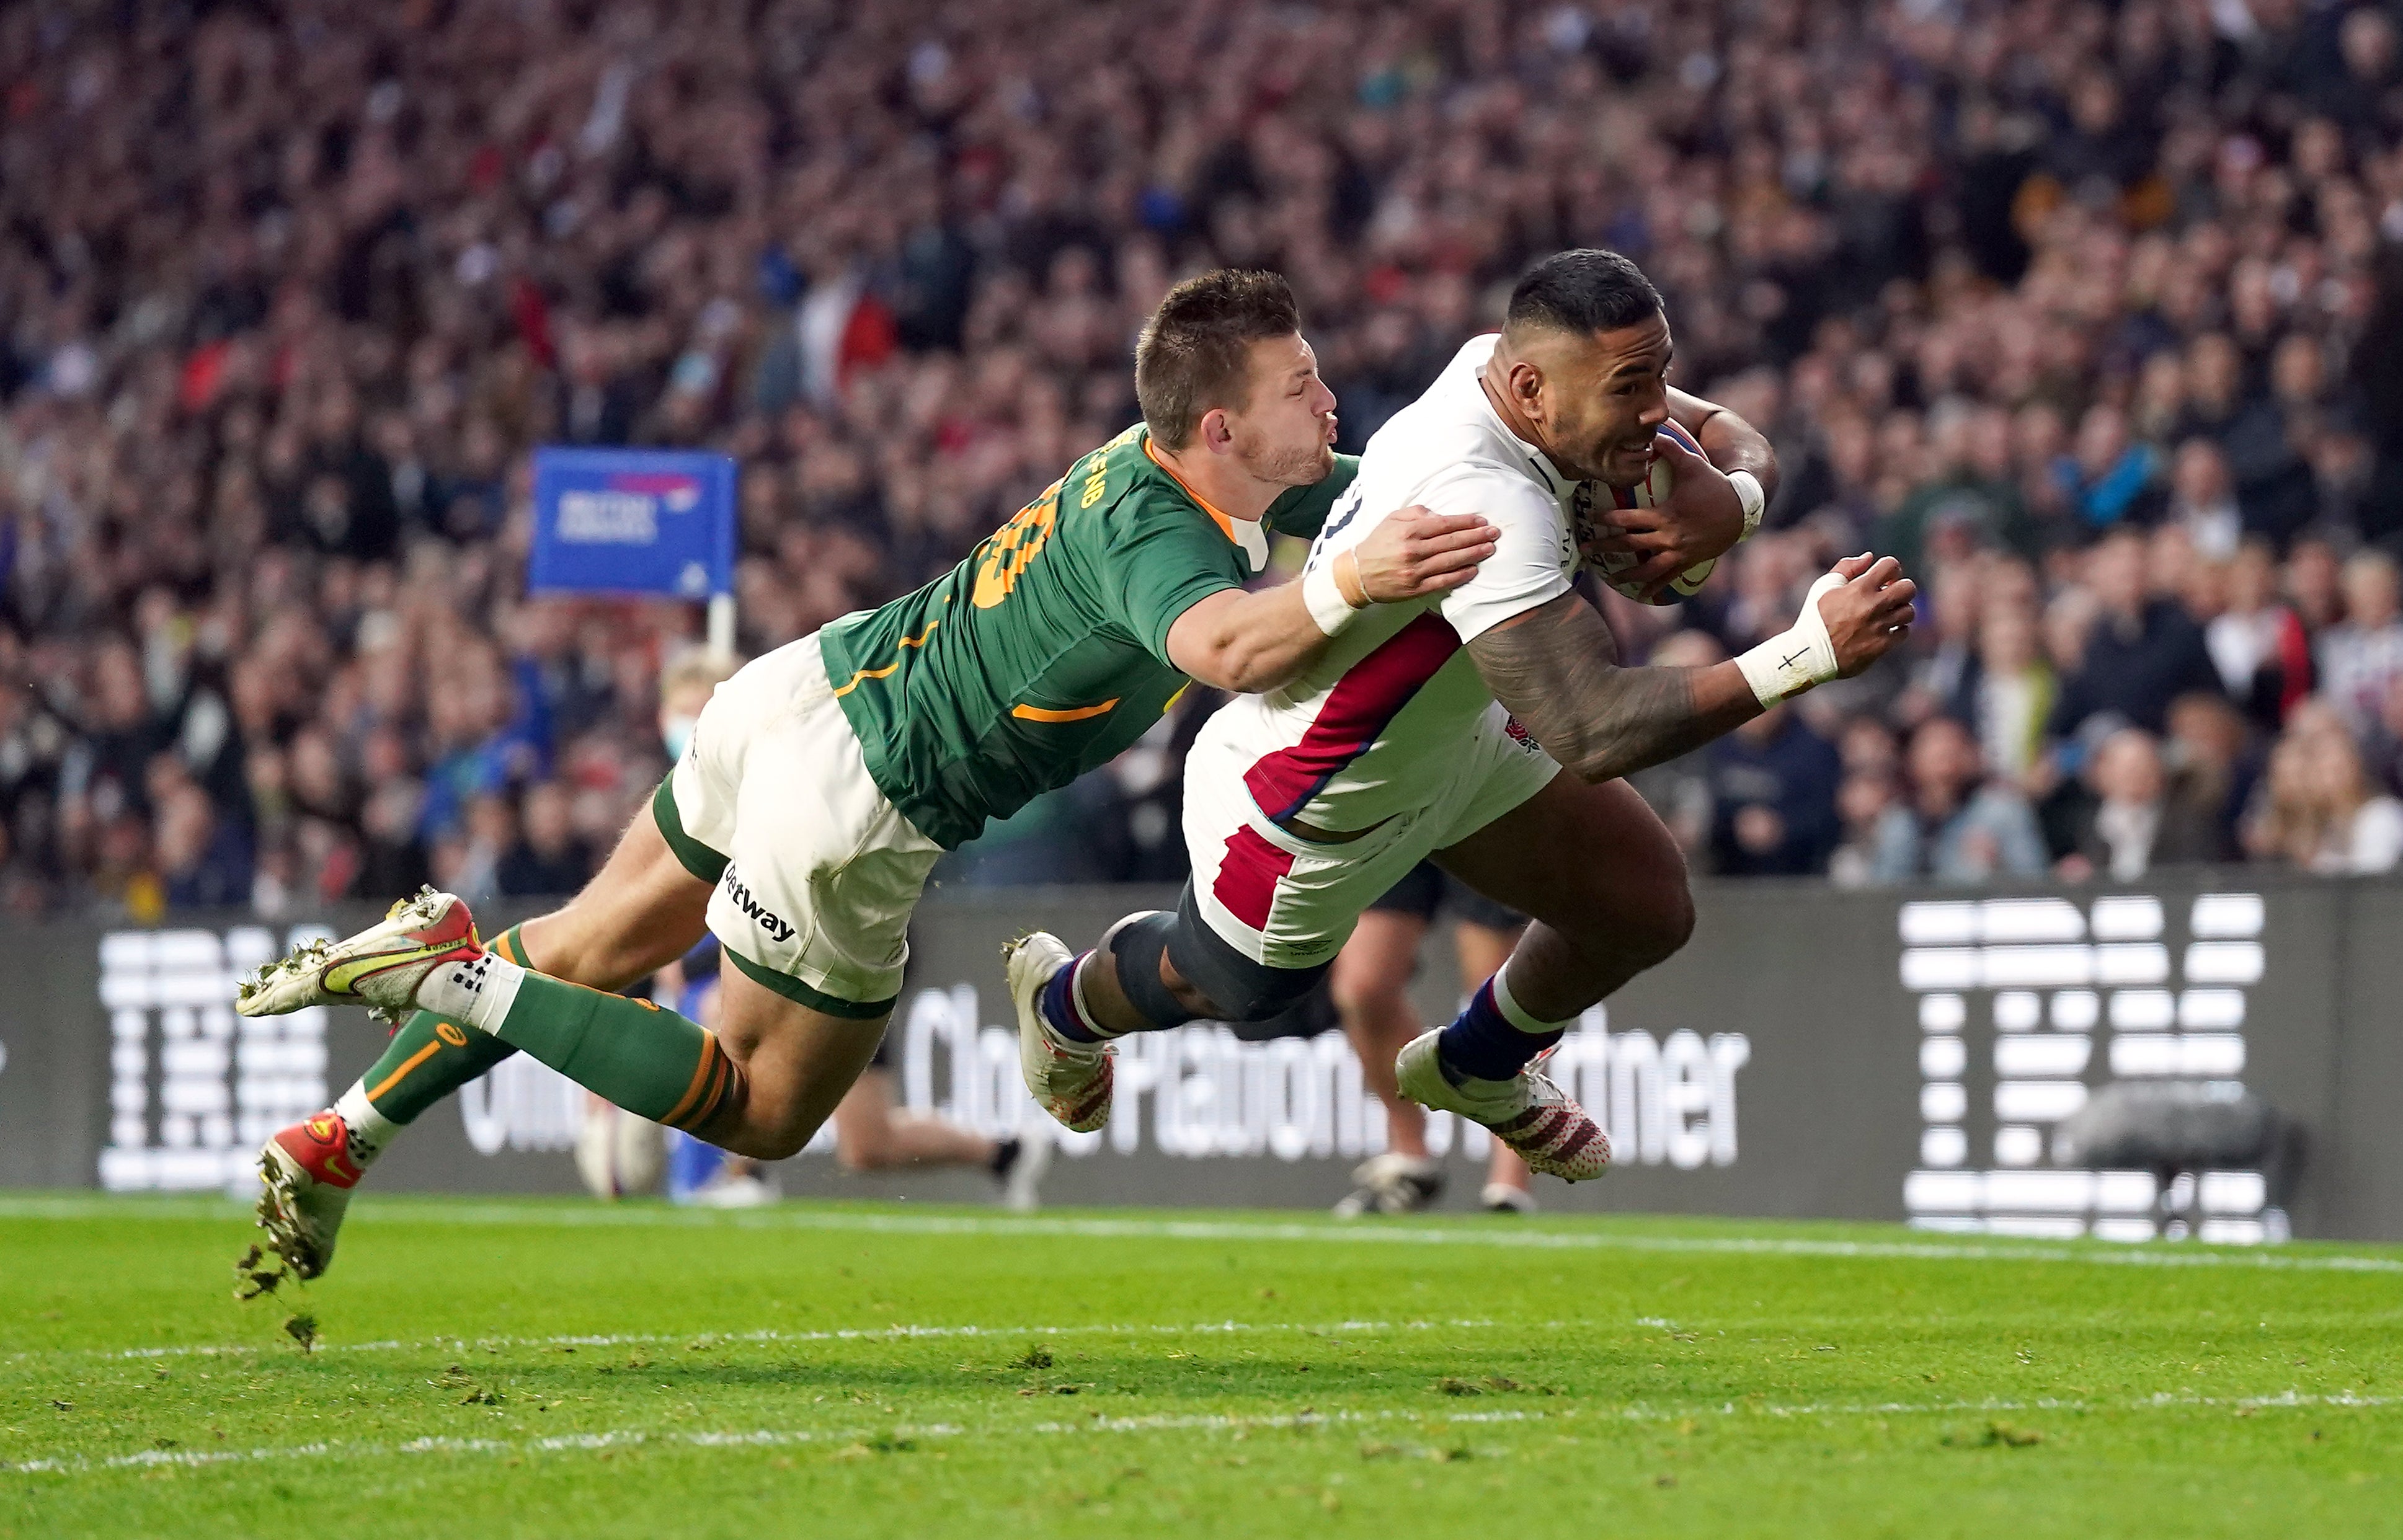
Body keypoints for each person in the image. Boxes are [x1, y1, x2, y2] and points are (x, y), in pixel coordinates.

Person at [230, 270, 1499, 1278]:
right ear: (1221, 426)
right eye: (1301, 382)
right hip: (861, 801)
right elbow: (1227, 644)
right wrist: (1355, 577)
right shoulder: (1159, 538)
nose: (1328, 397)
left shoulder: (1183, 465)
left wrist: (1574, 463)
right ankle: (447, 968)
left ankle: (339, 1140)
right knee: (767, 1110)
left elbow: (1376, 490)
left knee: (579, 949)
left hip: (793, 691)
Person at [1008, 249, 1915, 1183]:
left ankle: (1475, 1064)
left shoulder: (1511, 366)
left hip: (1457, 736)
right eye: (1629, 386)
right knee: (1233, 984)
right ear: (1528, 388)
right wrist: (1804, 653)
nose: (1653, 409)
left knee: (1643, 904)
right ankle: (1064, 1006)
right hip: (1310, 798)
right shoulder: (1485, 497)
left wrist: (1737, 499)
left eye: (1657, 372)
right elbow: (1594, 728)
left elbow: (1723, 429)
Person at [1326, 864, 1534, 1216]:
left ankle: (1508, 1187)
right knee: (1362, 988)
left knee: (1499, 997)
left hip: (1477, 814)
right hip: (1394, 813)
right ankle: (1412, 1161)